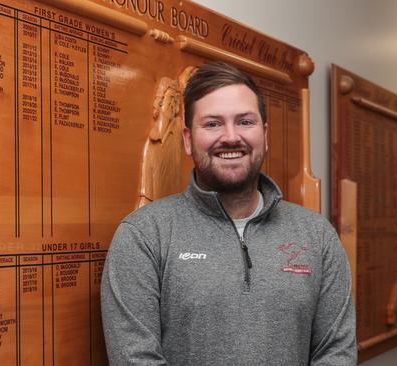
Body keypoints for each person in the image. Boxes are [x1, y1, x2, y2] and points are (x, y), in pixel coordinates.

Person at [101, 61, 356, 365]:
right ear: (187, 139)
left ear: (264, 134)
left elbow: (336, 353)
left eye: (245, 122)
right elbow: (135, 359)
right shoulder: (144, 236)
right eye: (212, 124)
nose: (231, 137)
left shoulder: (317, 236)